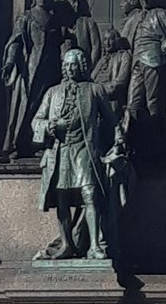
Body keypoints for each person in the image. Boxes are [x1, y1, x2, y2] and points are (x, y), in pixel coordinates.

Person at [32, 49, 118, 260]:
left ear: (82, 66)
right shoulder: (53, 92)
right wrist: (49, 126)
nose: (70, 69)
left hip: (85, 149)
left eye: (74, 65)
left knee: (89, 194)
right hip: (60, 151)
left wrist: (119, 139)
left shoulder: (94, 90)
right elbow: (36, 120)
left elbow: (112, 120)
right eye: (67, 65)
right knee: (62, 199)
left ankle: (95, 246)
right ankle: (66, 245)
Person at [2, 0, 62, 156]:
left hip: (50, 70)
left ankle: (39, 143)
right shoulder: (26, 17)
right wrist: (10, 61)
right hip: (30, 68)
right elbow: (16, 41)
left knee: (46, 106)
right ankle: (18, 144)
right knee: (27, 105)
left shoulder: (53, 21)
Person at [125, 0, 166, 130]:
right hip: (136, 63)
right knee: (133, 102)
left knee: (154, 102)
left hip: (154, 61)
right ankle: (134, 136)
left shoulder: (161, 13)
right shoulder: (136, 17)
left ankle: (156, 137)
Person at [91, 27, 132, 115]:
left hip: (111, 97)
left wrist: (101, 90)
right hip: (95, 95)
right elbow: (92, 78)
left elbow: (121, 81)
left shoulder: (124, 56)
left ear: (116, 41)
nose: (107, 43)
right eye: (105, 39)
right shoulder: (102, 59)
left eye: (111, 39)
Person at [63, 0, 102, 72]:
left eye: (78, 2)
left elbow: (96, 46)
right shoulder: (62, 24)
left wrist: (90, 67)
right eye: (73, 2)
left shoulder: (88, 22)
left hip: (83, 68)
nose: (76, 5)